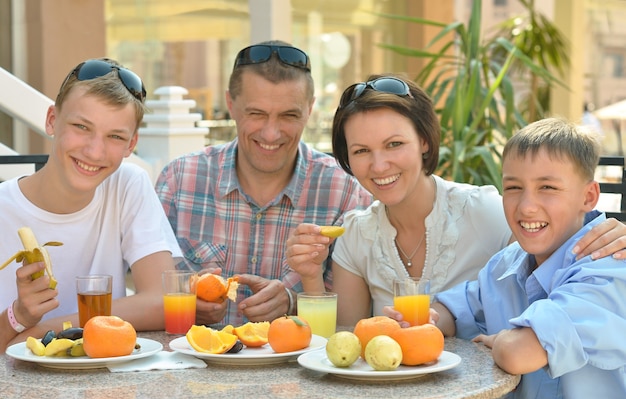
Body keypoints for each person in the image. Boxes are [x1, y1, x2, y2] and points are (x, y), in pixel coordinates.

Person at [286, 74, 626, 327]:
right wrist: (312, 278)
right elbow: (344, 343)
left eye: (394, 145)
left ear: (423, 140)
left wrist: (610, 233)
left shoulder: (486, 212)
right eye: (361, 151)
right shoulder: (356, 234)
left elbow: (563, 253)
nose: (379, 165)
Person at [155, 41, 371, 326]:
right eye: (256, 114)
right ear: (231, 104)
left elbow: (353, 318)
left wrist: (293, 303)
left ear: (310, 109)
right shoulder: (178, 181)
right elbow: (148, 292)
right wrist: (183, 303)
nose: (271, 134)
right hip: (193, 364)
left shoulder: (346, 193)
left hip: (298, 367)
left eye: (288, 115)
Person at [431, 117, 626, 399]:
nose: (526, 206)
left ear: (588, 197)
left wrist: (500, 341)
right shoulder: (504, 264)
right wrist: (426, 321)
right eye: (513, 187)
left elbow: (518, 353)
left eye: (547, 187)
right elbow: (461, 308)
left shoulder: (609, 266)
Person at [0, 58, 182, 353]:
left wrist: (48, 331)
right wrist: (18, 317)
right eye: (82, 127)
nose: (95, 151)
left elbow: (165, 301)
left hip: (108, 380)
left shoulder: (127, 184)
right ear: (51, 120)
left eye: (114, 136)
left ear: (130, 145)